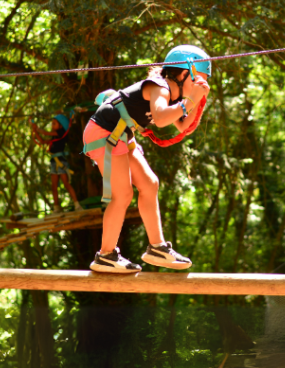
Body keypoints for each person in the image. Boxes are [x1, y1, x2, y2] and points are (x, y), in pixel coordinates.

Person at [83, 45, 211, 273]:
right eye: (199, 79)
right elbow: (161, 119)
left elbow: (182, 126)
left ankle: (157, 248)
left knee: (150, 184)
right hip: (105, 132)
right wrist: (191, 101)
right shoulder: (160, 87)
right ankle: (105, 255)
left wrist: (198, 102)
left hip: (121, 134)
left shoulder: (173, 95)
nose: (202, 84)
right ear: (184, 73)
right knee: (123, 194)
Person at [30, 114, 83, 213]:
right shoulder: (54, 136)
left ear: (60, 126)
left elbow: (45, 133)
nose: (52, 125)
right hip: (54, 162)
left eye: (54, 123)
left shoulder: (60, 133)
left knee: (66, 183)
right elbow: (42, 141)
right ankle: (56, 207)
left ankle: (77, 205)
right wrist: (35, 131)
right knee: (53, 186)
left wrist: (36, 128)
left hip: (61, 161)